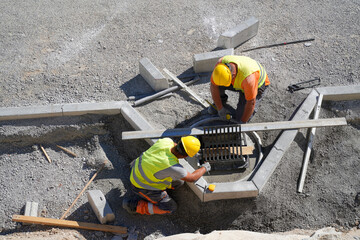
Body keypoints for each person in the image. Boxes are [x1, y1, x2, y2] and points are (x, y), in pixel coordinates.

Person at [122, 136, 211, 215]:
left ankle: (162, 190)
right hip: (140, 185)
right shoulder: (173, 167)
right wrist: (205, 168)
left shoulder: (166, 141)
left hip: (138, 169)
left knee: (179, 182)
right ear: (185, 156)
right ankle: (133, 206)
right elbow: (192, 178)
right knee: (170, 208)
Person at [209, 55, 270, 123]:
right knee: (218, 85)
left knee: (240, 118)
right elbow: (213, 86)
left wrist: (242, 122)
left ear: (233, 76)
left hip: (256, 85)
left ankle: (241, 119)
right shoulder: (219, 67)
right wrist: (220, 108)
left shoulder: (249, 79)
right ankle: (221, 104)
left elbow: (251, 102)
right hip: (240, 82)